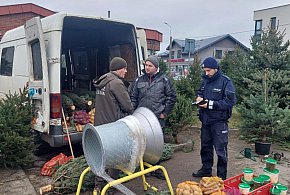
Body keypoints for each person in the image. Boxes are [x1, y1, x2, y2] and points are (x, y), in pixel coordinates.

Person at [130, 55, 176, 179]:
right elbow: (133, 97)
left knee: (157, 144)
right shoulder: (139, 80)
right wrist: (132, 113)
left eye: (150, 66)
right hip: (142, 118)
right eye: (146, 65)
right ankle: (145, 168)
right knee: (144, 142)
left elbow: (171, 97)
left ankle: (157, 168)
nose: (147, 68)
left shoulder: (164, 80)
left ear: (156, 67)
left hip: (157, 118)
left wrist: (164, 113)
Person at [192, 57, 236, 180]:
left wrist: (210, 104)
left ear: (215, 69)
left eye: (209, 71)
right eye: (205, 71)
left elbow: (230, 101)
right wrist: (199, 98)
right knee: (205, 147)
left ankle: (221, 177)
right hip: (205, 120)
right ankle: (206, 170)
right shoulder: (205, 80)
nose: (206, 73)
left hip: (219, 122)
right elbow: (200, 92)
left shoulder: (225, 82)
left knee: (220, 150)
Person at [94, 56, 133, 126]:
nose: (126, 71)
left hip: (100, 124)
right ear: (118, 69)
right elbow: (127, 107)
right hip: (112, 125)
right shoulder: (116, 83)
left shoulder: (102, 80)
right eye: (124, 69)